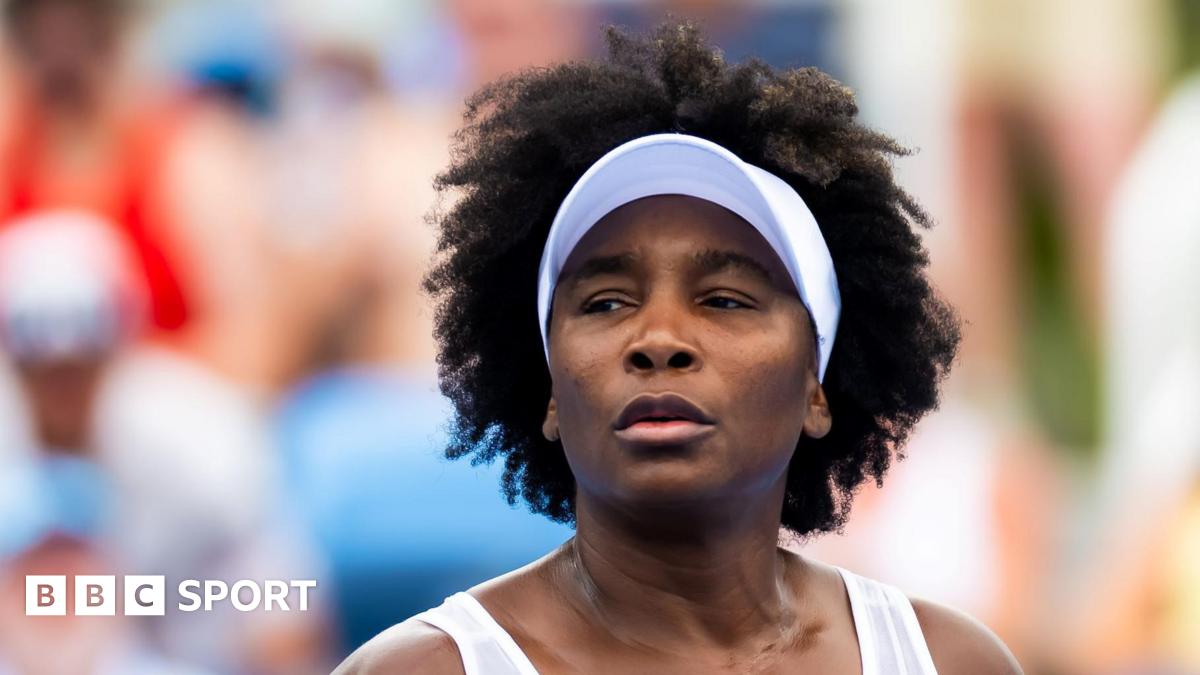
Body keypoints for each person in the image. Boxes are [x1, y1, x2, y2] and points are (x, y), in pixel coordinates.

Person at [336, 22, 1021, 674]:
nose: (658, 340)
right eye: (606, 303)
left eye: (724, 299)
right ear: (547, 384)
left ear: (818, 380)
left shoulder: (952, 660)